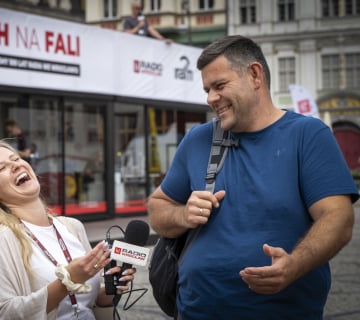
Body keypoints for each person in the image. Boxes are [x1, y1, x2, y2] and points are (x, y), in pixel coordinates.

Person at [147, 35, 359, 319]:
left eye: (219, 86)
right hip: (195, 312)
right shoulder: (199, 139)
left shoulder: (308, 135)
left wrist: (294, 264)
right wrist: (183, 215)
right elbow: (157, 208)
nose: (211, 98)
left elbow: (338, 218)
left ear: (255, 75)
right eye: (207, 89)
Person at [0, 140, 136, 319]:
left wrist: (111, 289)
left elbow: (89, 303)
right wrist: (67, 282)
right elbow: (3, 313)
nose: (16, 166)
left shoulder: (72, 227)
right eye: (2, 168)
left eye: (16, 159)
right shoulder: (3, 239)